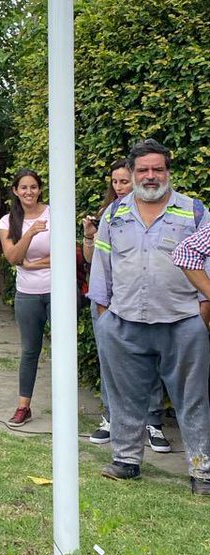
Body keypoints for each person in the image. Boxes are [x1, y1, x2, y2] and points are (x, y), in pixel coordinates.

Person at [88, 138, 210, 495]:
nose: (151, 176)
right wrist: (104, 313)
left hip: (183, 321)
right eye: (144, 170)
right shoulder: (115, 214)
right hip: (124, 321)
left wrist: (204, 306)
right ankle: (126, 461)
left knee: (194, 397)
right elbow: (103, 264)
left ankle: (202, 472)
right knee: (125, 395)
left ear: (168, 172)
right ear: (133, 173)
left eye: (158, 169)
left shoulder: (195, 212)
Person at [83, 160, 169, 451]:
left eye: (124, 182)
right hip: (113, 305)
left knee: (150, 364)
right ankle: (112, 420)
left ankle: (152, 423)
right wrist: (88, 235)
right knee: (112, 365)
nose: (119, 187)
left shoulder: (162, 213)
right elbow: (93, 260)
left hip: (148, 304)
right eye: (115, 182)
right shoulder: (110, 214)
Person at [0, 170, 51, 427]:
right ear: (16, 191)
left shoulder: (54, 214)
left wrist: (34, 263)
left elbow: (66, 254)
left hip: (56, 290)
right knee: (30, 350)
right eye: (23, 188)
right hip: (27, 293)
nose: (29, 192)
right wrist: (30, 233)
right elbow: (12, 258)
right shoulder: (8, 222)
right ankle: (23, 407)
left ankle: (66, 404)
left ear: (40, 189)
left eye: (33, 187)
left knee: (64, 349)